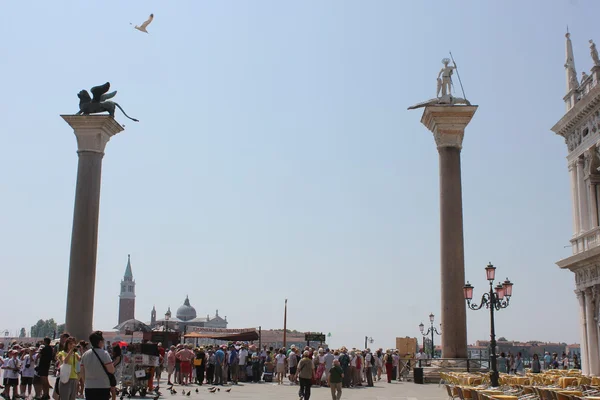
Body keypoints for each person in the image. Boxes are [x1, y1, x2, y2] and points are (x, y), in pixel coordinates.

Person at [80, 331, 114, 400]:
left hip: (89, 386)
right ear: (100, 342)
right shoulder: (104, 354)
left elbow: (82, 372)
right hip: (103, 386)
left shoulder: (85, 354)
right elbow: (111, 370)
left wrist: (86, 381)